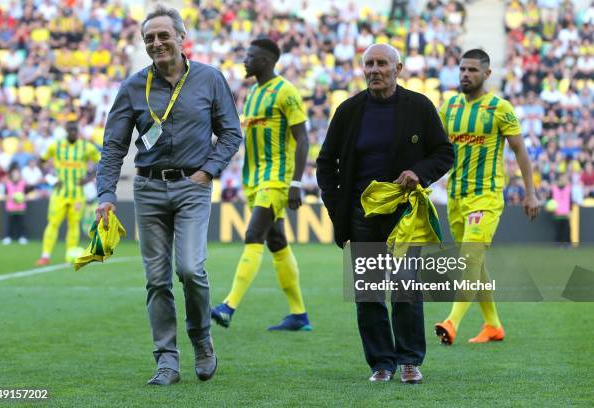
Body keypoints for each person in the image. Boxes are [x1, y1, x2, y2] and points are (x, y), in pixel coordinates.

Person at [95, 4, 241, 386]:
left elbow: (231, 133)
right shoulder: (132, 86)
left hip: (192, 187)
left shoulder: (210, 78)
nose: (157, 43)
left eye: (163, 35)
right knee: (156, 279)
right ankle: (166, 361)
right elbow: (113, 146)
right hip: (147, 188)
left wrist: (206, 172)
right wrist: (106, 194)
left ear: (181, 36)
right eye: (149, 38)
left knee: (192, 269)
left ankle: (202, 339)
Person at [316, 44, 454, 384]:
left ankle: (409, 360)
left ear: (398, 68)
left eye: (382, 64)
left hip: (404, 215)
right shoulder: (349, 111)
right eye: (369, 64)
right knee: (369, 294)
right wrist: (340, 210)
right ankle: (381, 363)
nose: (374, 70)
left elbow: (444, 152)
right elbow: (325, 163)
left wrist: (419, 173)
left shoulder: (419, 106)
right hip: (362, 217)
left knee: (406, 290)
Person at [434, 49, 539, 345]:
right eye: (462, 69)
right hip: (455, 197)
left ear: (487, 74)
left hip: (486, 197)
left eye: (472, 70)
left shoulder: (499, 108)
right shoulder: (450, 106)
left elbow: (520, 150)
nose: (466, 74)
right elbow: (434, 145)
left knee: (469, 258)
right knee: (475, 264)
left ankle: (451, 322)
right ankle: (493, 325)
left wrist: (530, 193)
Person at [210, 38, 311, 331]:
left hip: (277, 178)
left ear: (266, 61)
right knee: (277, 241)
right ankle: (299, 314)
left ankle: (228, 306)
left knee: (253, 234)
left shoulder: (287, 92)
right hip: (253, 180)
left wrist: (296, 182)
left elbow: (302, 138)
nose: (244, 60)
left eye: (249, 55)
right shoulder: (253, 93)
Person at [35, 121, 100, 265]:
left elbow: (101, 162)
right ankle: (45, 256)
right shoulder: (56, 146)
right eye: (69, 130)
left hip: (77, 193)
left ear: (77, 132)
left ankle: (70, 255)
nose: (72, 133)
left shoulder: (86, 147)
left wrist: (89, 178)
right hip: (59, 192)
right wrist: (50, 178)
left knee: (74, 224)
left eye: (74, 131)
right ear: (66, 131)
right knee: (53, 223)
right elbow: (40, 161)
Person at [3, 165, 28, 245]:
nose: (16, 174)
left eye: (17, 173)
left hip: (20, 207)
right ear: (12, 174)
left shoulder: (23, 183)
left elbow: (27, 193)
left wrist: (22, 197)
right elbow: (5, 194)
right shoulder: (8, 183)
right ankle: (8, 237)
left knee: (21, 223)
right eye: (14, 173)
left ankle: (22, 237)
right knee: (10, 223)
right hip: (10, 206)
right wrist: (11, 197)